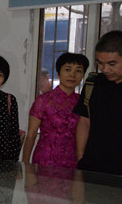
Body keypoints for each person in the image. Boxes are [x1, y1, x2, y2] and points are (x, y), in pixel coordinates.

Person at [22, 52, 89, 169]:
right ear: (58, 73)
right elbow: (31, 134)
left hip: (74, 162)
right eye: (68, 70)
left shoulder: (83, 103)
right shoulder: (43, 100)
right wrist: (25, 165)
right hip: (45, 159)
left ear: (83, 75)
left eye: (78, 71)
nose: (72, 75)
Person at [74, 30, 122, 176]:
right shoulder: (93, 83)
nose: (105, 69)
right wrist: (81, 158)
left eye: (112, 64)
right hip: (92, 167)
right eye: (100, 63)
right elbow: (84, 121)